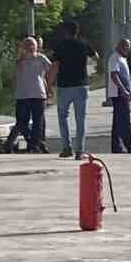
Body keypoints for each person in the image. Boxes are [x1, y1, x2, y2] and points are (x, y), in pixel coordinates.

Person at [47, 20, 95, 160]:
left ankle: (66, 148)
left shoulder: (60, 46)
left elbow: (55, 66)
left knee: (63, 117)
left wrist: (49, 84)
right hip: (81, 86)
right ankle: (80, 151)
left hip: (64, 86)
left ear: (66, 31)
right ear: (77, 31)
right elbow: (95, 56)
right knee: (80, 119)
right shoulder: (83, 44)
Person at [6, 36, 51, 153]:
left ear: (37, 47)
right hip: (22, 95)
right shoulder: (19, 61)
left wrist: (48, 87)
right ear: (23, 47)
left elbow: (50, 71)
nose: (30, 47)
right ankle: (32, 142)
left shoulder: (41, 58)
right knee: (22, 122)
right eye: (27, 45)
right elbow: (14, 77)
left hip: (38, 94)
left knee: (38, 121)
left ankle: (35, 144)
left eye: (32, 45)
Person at [107, 38, 131, 154]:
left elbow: (123, 78)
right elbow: (114, 76)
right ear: (120, 46)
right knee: (124, 122)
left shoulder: (122, 59)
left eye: (129, 47)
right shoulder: (114, 58)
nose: (128, 49)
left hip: (123, 94)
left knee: (117, 123)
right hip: (118, 94)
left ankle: (116, 148)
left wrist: (129, 92)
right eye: (126, 46)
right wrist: (123, 91)